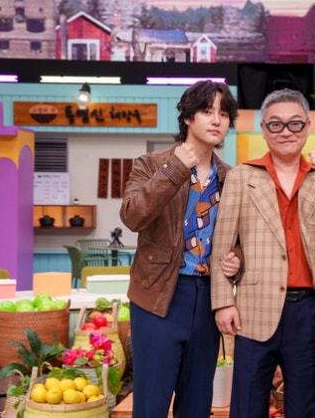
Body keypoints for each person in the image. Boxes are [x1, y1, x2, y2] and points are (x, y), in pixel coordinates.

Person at [211, 88, 315, 418]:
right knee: (247, 406)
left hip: (307, 310)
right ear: (263, 129)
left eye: (295, 123)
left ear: (307, 128)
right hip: (253, 307)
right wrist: (223, 301)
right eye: (275, 124)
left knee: (303, 406)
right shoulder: (242, 177)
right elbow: (222, 244)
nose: (286, 131)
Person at [119, 80, 240, 418]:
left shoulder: (231, 177)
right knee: (151, 404)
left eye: (223, 114)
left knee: (197, 403)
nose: (216, 120)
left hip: (208, 297)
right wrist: (175, 169)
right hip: (157, 297)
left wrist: (237, 258)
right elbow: (132, 216)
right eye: (207, 111)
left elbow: (240, 237)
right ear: (187, 117)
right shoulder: (151, 164)